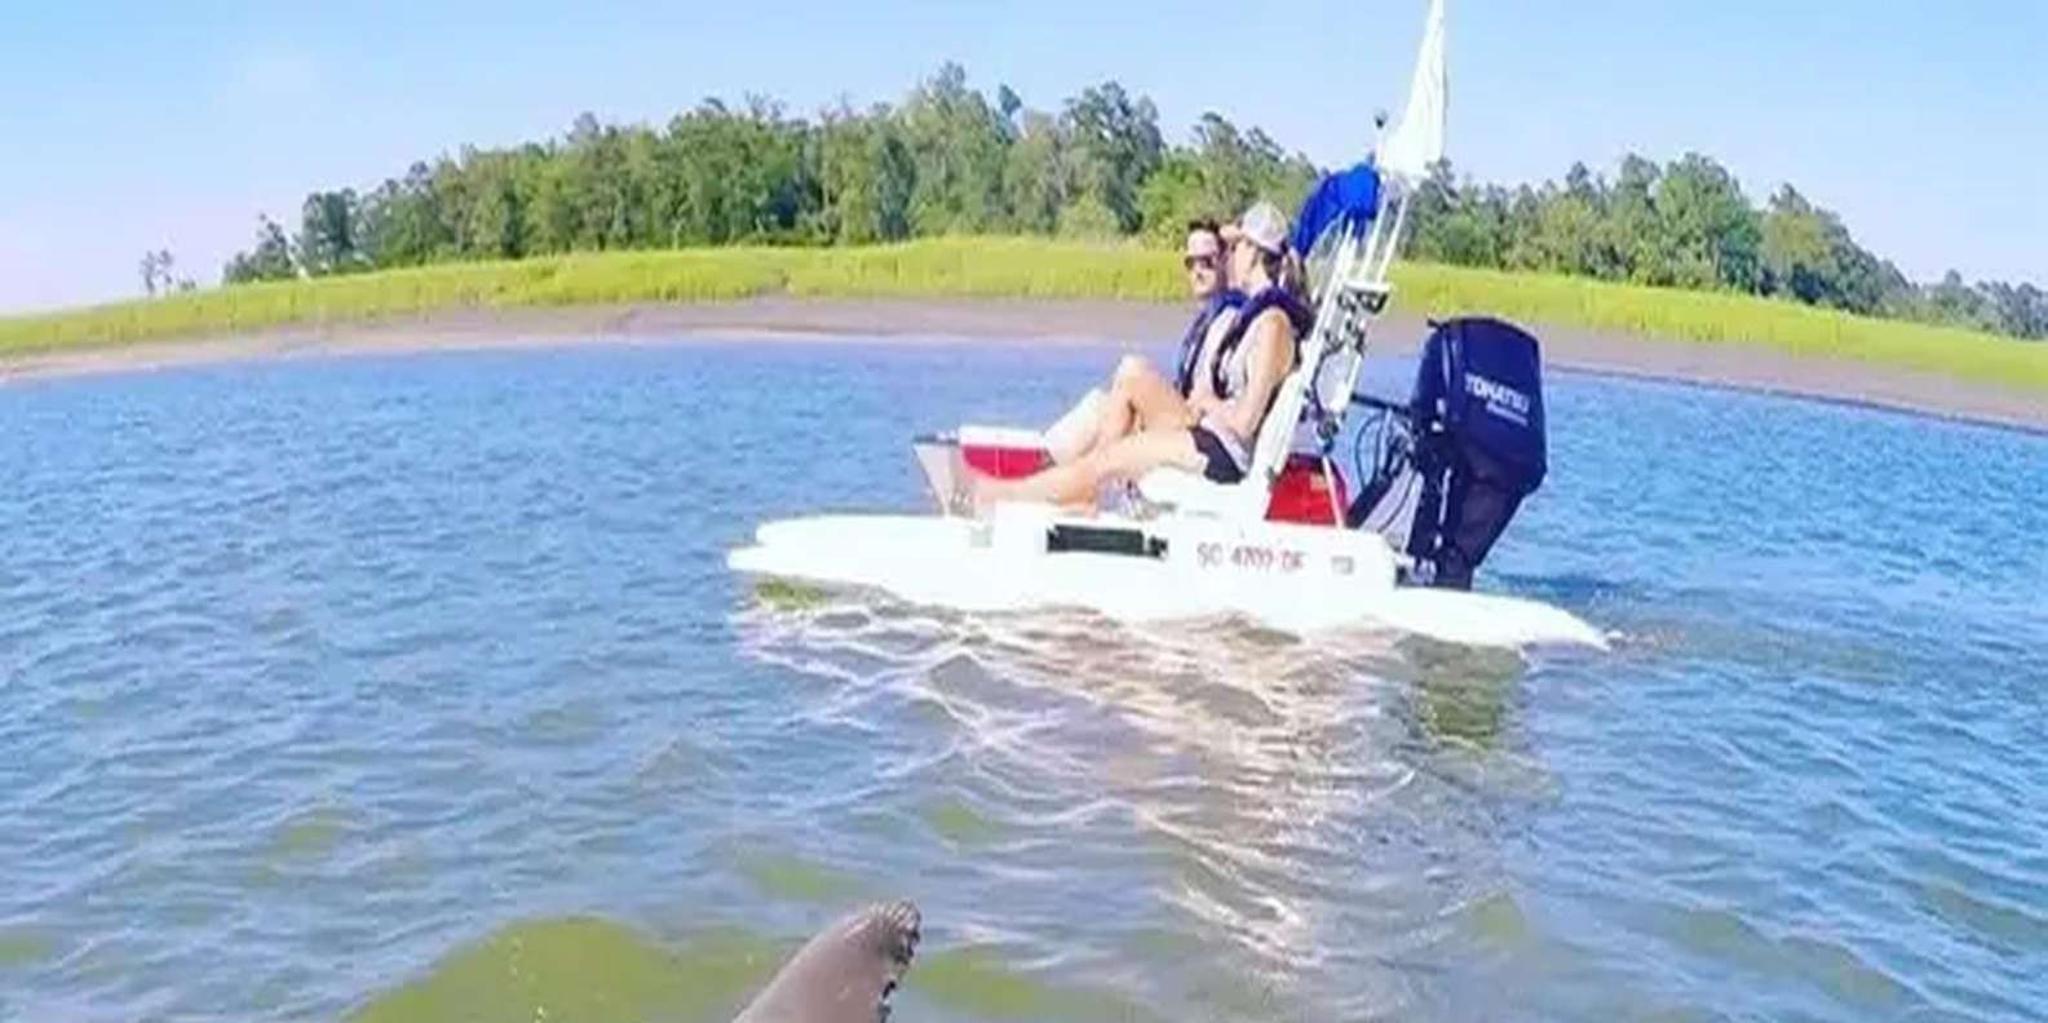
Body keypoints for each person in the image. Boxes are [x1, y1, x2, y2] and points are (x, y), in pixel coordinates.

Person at [965, 201, 1313, 512]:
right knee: (1110, 445)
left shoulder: (1273, 325)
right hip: (1208, 436)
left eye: (1235, 248)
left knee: (1109, 457)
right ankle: (1062, 492)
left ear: (1252, 253)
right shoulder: (1258, 317)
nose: (1228, 257)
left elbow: (1244, 423)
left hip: (1222, 453)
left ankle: (1003, 495)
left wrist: (1207, 402)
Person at [1040, 220, 1245, 465]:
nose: (1197, 272)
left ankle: (1089, 477)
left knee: (1132, 368)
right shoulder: (1208, 316)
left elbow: (1212, 393)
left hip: (1201, 431)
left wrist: (1233, 236)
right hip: (1184, 415)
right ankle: (1049, 469)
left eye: (1207, 262)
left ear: (1225, 261)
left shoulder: (1233, 314)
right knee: (1099, 404)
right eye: (1190, 263)